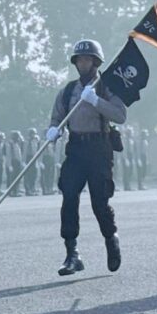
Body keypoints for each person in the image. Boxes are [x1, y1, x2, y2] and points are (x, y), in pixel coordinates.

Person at [46, 39, 126, 276]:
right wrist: (53, 130)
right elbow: (57, 117)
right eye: (79, 59)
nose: (83, 63)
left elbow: (120, 115)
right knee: (69, 196)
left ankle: (111, 239)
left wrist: (96, 101)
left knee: (99, 201)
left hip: (99, 148)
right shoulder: (68, 91)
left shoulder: (106, 88)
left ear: (96, 62)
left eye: (87, 59)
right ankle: (72, 254)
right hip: (76, 148)